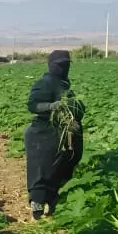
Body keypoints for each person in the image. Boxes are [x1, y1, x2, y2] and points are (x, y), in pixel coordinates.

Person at [24, 50, 84, 220]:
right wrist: (51, 106)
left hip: (62, 132)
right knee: (42, 167)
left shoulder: (65, 83)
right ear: (51, 66)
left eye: (66, 65)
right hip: (43, 132)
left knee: (63, 166)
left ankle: (54, 200)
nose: (63, 68)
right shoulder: (44, 82)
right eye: (60, 65)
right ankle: (37, 204)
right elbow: (33, 105)